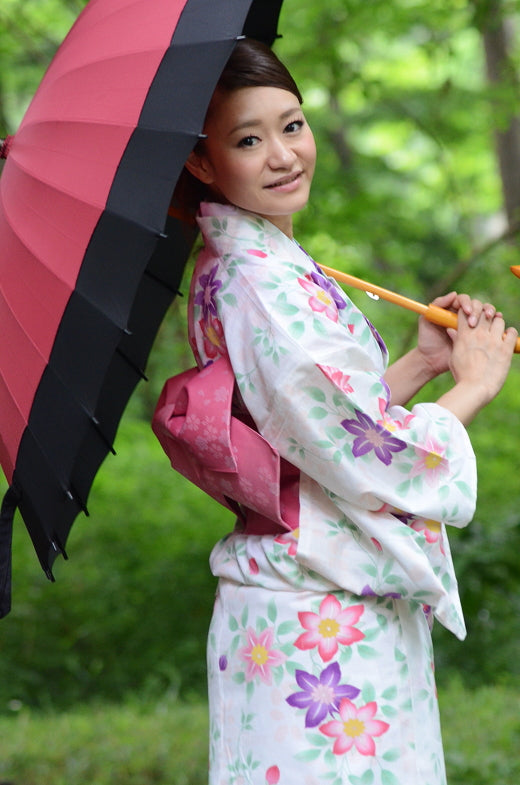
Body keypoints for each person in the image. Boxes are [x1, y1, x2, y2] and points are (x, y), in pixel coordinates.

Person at [170, 38, 517, 785]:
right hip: (320, 621)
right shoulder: (262, 283)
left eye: (292, 125)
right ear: (202, 161)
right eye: (248, 140)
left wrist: (422, 364)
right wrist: (473, 385)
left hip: (308, 606)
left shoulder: (252, 265)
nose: (283, 155)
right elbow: (359, 455)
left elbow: (312, 430)